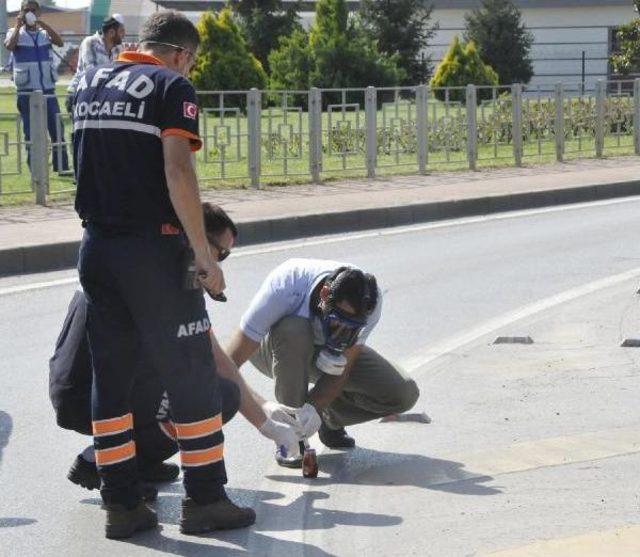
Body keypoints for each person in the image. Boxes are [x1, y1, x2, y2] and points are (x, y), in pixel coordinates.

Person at [73, 11, 254, 539]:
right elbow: (177, 169)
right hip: (154, 251)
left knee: (112, 383)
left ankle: (123, 507)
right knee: (194, 374)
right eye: (191, 61)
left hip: (97, 247)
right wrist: (203, 254)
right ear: (181, 54)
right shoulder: (172, 86)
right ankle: (205, 500)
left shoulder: (88, 82)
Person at [49, 203, 299, 501]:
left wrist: (266, 413)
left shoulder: (143, 259)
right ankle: (103, 462)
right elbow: (213, 361)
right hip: (89, 397)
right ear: (195, 236)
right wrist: (267, 426)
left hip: (80, 390)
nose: (220, 263)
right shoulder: (169, 277)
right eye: (220, 253)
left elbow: (213, 352)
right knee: (217, 395)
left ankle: (137, 460)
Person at [227, 258, 420, 468]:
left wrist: (314, 408)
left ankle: (328, 419)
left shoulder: (370, 303)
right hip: (275, 349)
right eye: (339, 320)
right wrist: (263, 410)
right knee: (294, 329)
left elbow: (342, 367)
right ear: (324, 295)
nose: (342, 332)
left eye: (351, 327)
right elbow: (227, 363)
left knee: (403, 392)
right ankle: (290, 435)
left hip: (324, 355)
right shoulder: (287, 285)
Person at [3, 1, 69, 173]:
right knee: (31, 134)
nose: (30, 13)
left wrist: (44, 25)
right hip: (27, 92)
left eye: (33, 10)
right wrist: (18, 26)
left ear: (39, 12)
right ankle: (36, 171)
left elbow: (60, 43)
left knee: (57, 130)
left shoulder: (43, 33)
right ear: (21, 13)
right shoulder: (14, 32)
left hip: (48, 90)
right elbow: (9, 46)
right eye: (26, 10)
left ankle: (61, 167)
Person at [65, 14, 126, 114]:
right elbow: (91, 72)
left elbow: (122, 72)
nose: (124, 34)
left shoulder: (119, 48)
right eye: (121, 31)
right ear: (111, 32)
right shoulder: (90, 42)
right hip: (81, 94)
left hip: (103, 95)